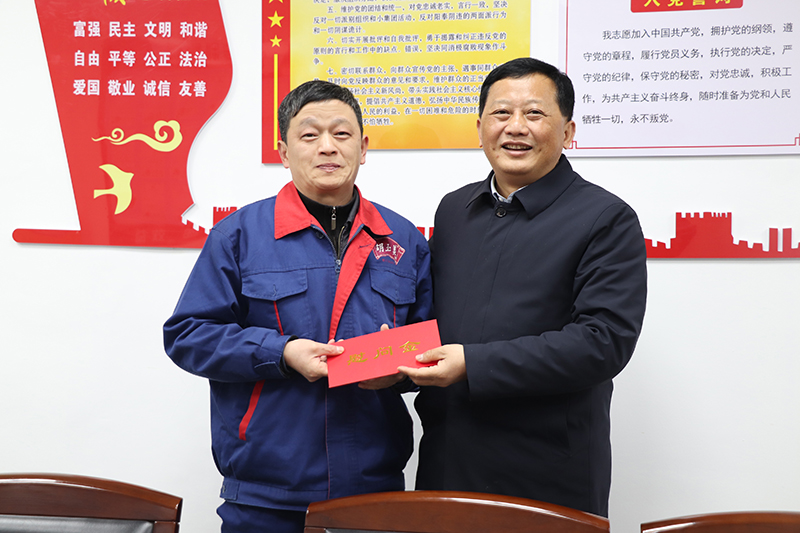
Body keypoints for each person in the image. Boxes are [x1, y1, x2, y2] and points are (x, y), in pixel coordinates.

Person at [164, 80, 433, 533]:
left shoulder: (403, 240)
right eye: (310, 135)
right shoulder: (239, 235)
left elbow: (430, 345)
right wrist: (282, 352)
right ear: (285, 152)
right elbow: (189, 335)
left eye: (342, 134)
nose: (328, 146)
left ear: (364, 147)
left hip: (373, 488)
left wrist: (398, 370)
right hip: (265, 495)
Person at [398, 57, 647, 517]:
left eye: (534, 113)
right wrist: (385, 362)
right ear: (479, 129)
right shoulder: (454, 210)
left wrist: (472, 364)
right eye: (501, 113)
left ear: (568, 131)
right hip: (448, 460)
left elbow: (603, 342)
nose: (515, 127)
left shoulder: (605, 218)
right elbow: (434, 321)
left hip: (546, 471)